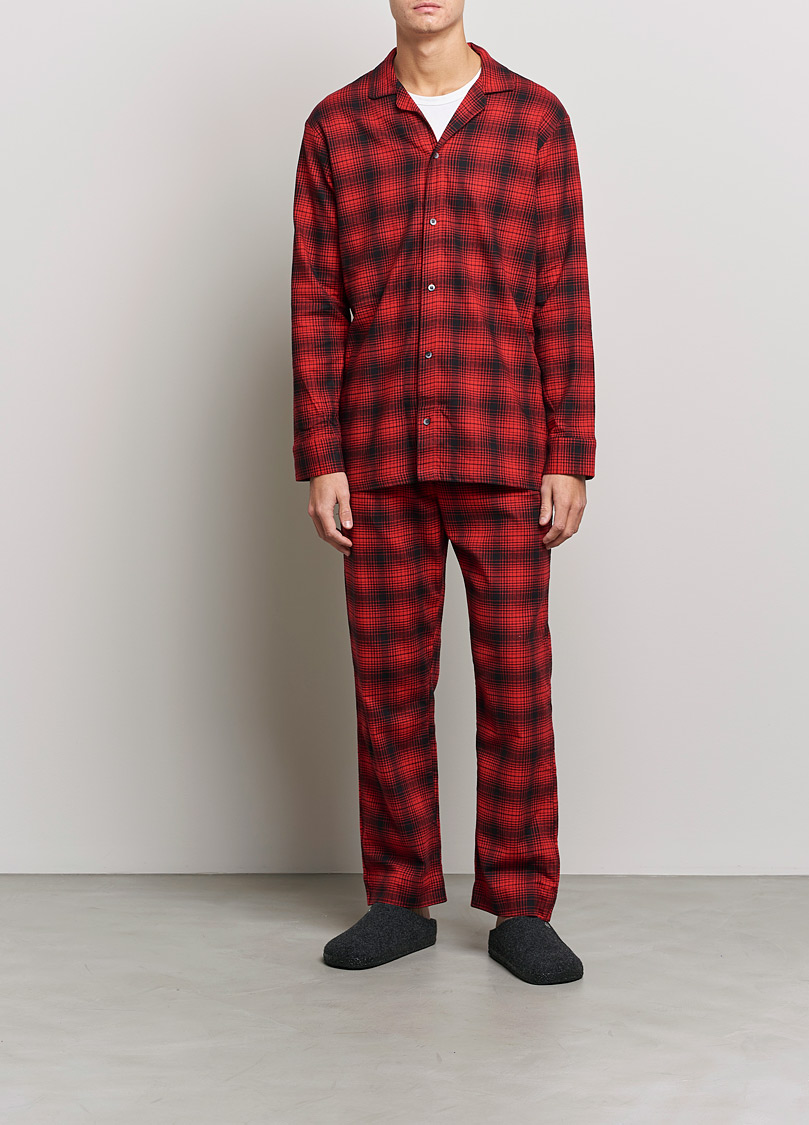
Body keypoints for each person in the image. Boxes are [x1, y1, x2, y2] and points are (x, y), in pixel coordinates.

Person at [292, 0, 595, 985]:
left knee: (517, 684)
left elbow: (562, 289)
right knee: (388, 685)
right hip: (378, 450)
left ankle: (521, 905)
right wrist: (322, 455)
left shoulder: (535, 121)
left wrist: (570, 451)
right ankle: (399, 896)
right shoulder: (336, 127)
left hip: (505, 447)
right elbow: (315, 297)